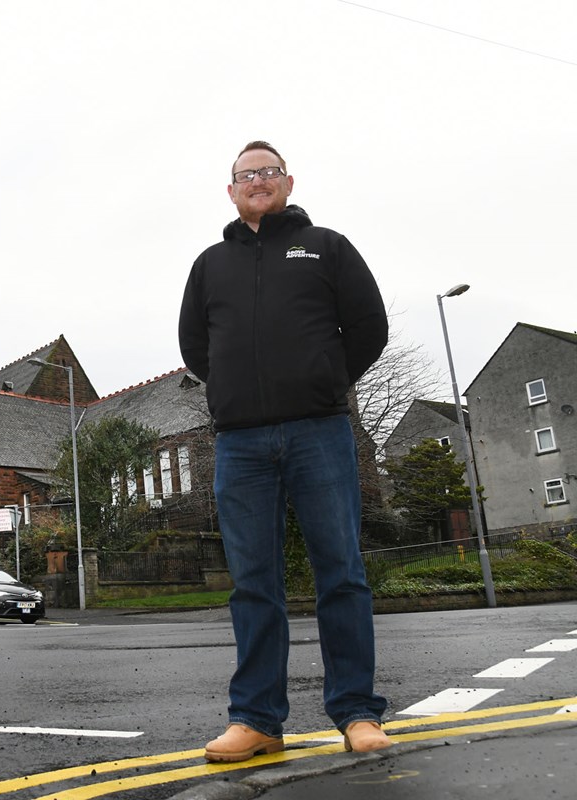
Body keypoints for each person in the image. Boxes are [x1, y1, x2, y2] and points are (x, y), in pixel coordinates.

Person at [178, 142, 392, 762]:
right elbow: (197, 348)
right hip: (240, 443)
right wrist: (232, 392)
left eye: (268, 172)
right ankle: (256, 720)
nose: (258, 181)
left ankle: (356, 712)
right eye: (246, 175)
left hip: (319, 433)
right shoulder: (210, 265)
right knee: (253, 584)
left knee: (341, 573)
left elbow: (369, 327)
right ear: (231, 190)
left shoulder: (326, 246)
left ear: (288, 182)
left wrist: (324, 382)